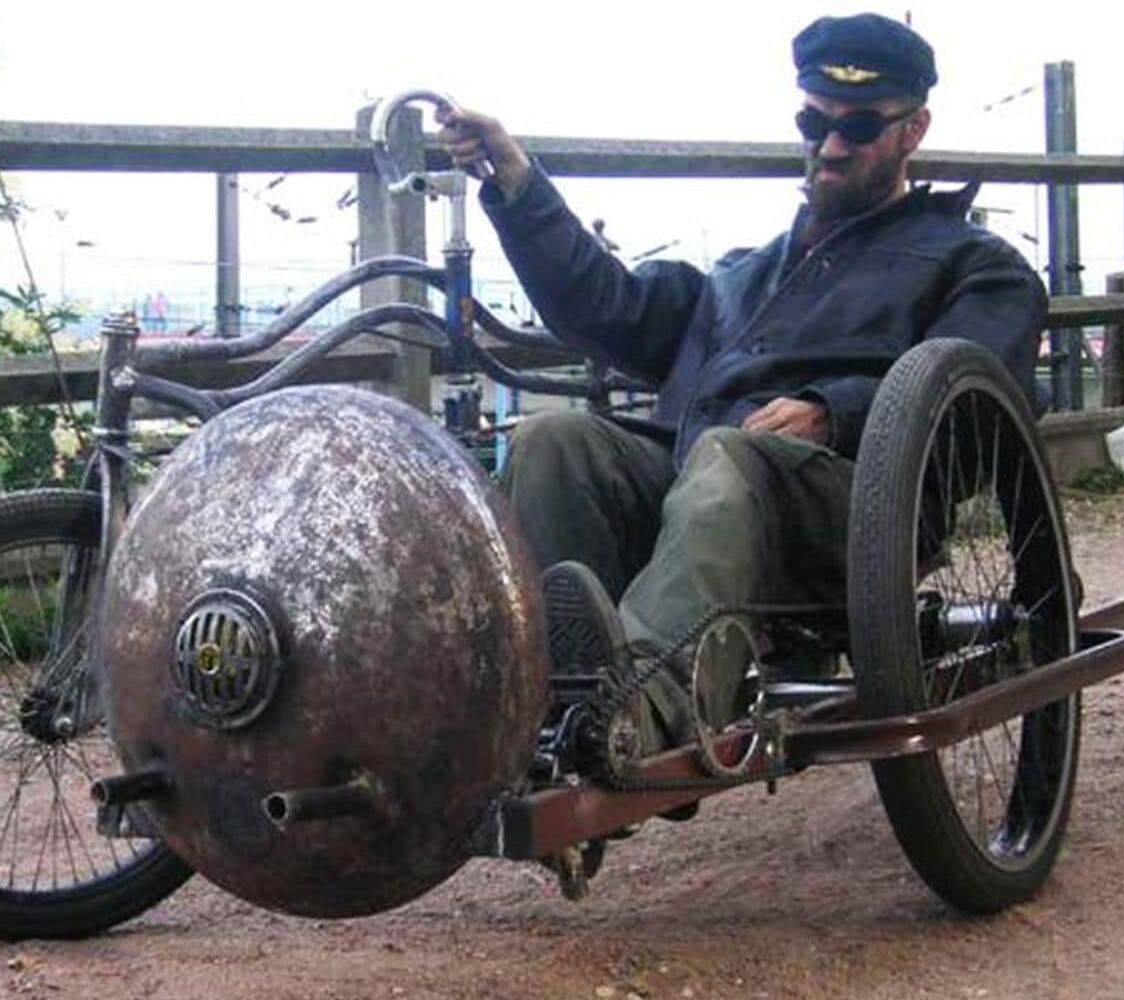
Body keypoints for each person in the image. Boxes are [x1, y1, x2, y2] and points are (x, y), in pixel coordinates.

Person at [437, 13, 1048, 760]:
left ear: (912, 130)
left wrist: (834, 412)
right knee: (556, 441)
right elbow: (605, 305)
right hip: (697, 497)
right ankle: (541, 691)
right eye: (811, 121)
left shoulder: (975, 265)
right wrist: (517, 184)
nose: (828, 146)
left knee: (727, 458)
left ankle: (639, 710)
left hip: (853, 515)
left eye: (858, 126)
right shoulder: (740, 275)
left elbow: (982, 409)